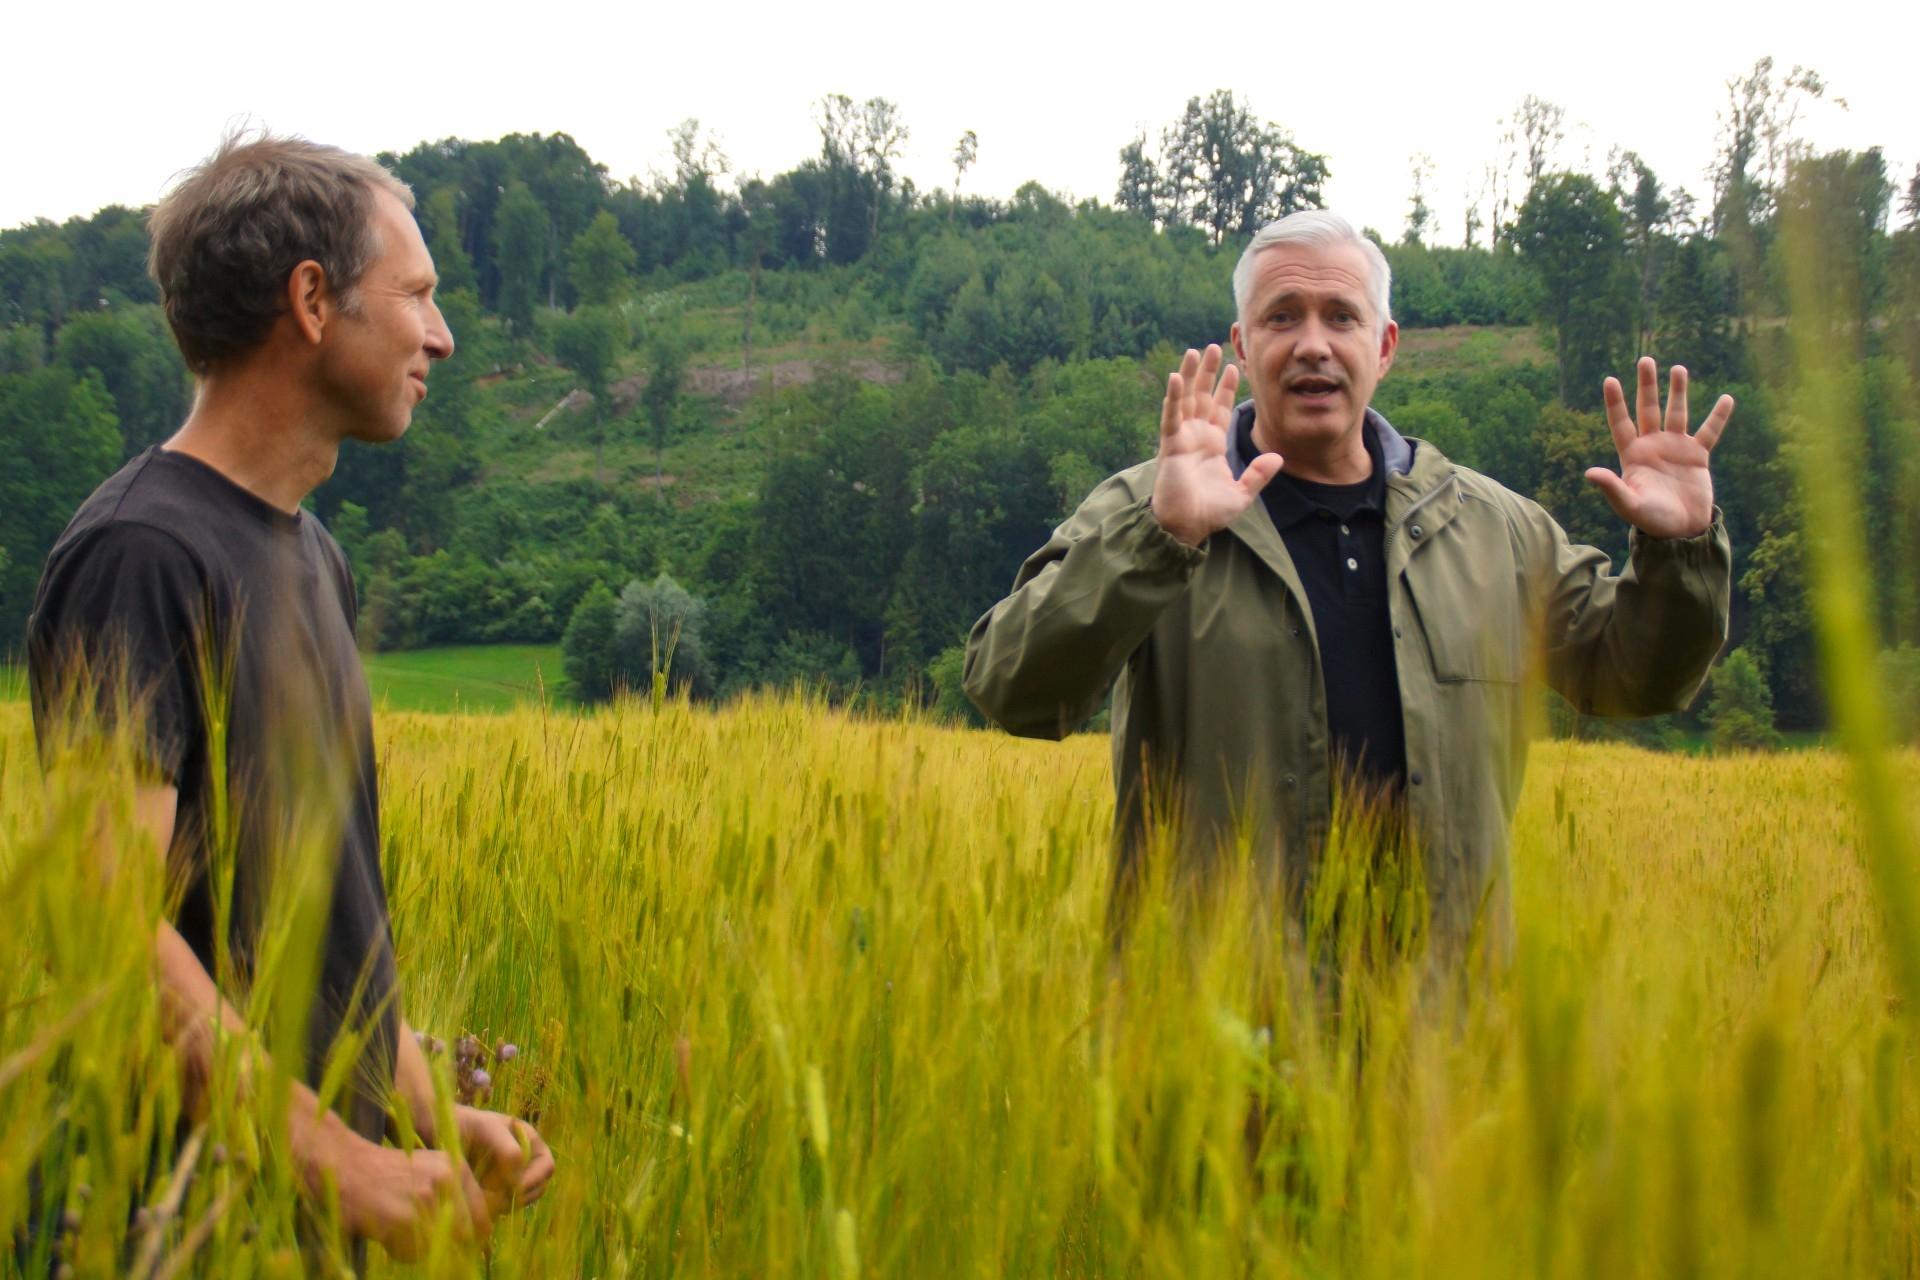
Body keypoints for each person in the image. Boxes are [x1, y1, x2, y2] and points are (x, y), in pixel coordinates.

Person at [26, 134, 553, 1262]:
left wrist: (420, 1110)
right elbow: (106, 928)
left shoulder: (313, 557)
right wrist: (338, 1157)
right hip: (185, 1222)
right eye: (417, 294)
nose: (443, 337)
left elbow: (325, 937)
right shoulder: (139, 554)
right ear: (313, 300)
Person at [963, 210, 1733, 956]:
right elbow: (1014, 687)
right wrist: (1159, 542)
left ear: (1385, 344)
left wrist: (1679, 551)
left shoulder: (1495, 530)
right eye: (1282, 317)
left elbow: (1638, 678)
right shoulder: (1152, 508)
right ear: (1241, 342)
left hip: (1443, 1042)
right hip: (1224, 1042)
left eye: (1341, 316)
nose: (1313, 345)